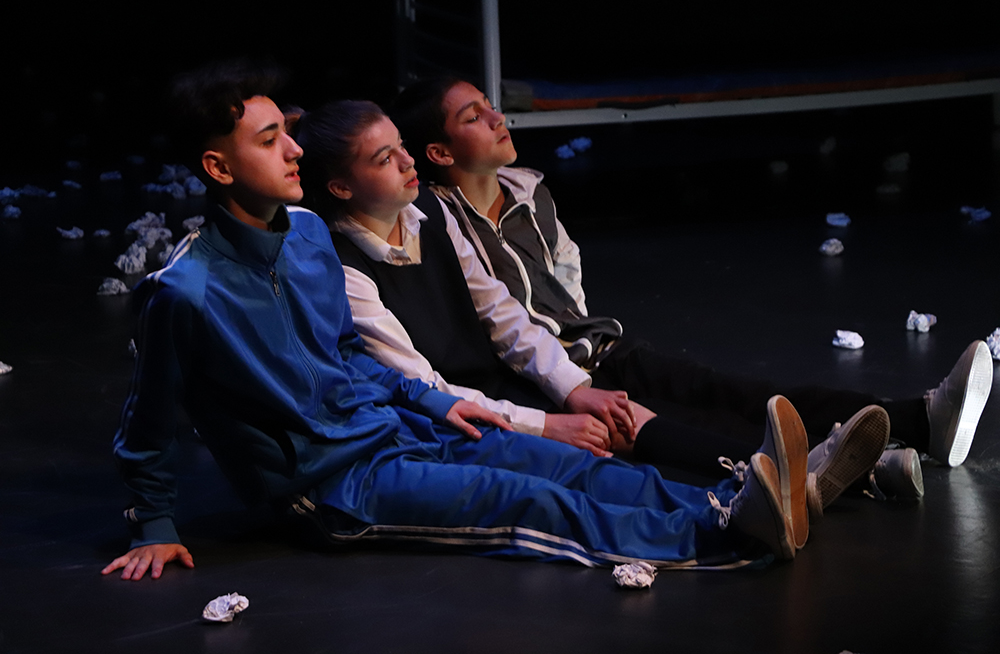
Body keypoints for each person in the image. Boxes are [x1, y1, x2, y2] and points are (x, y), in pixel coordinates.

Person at [101, 62, 807, 581]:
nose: (294, 150)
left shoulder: (308, 233)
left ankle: (727, 501)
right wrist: (153, 523)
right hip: (331, 485)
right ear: (219, 167)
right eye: (269, 140)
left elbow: (348, 352)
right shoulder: (185, 292)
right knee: (523, 499)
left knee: (561, 461)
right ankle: (725, 540)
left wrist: (435, 402)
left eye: (288, 132)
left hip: (395, 426)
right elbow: (148, 420)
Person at [293, 99, 895, 541]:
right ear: (341, 187)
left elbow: (500, 311)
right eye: (385, 158)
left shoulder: (428, 209)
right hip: (454, 411)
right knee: (609, 444)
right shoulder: (344, 267)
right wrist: (545, 424)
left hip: (497, 381)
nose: (406, 162)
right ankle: (776, 487)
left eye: (402, 146)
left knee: (629, 409)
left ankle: (799, 477)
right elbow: (425, 386)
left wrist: (571, 389)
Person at [389, 76, 995, 499]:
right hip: (555, 374)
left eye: (490, 105)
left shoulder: (528, 189)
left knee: (737, 392)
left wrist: (584, 329)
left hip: (600, 347)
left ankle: (917, 419)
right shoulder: (441, 218)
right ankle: (865, 469)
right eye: (473, 117)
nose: (497, 117)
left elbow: (565, 266)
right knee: (695, 425)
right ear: (438, 151)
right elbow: (499, 321)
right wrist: (570, 379)